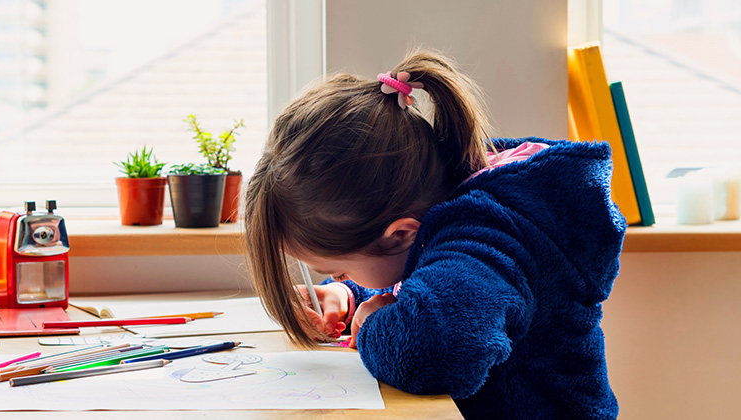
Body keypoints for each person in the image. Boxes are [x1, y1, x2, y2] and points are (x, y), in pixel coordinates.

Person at [243, 48, 624, 419]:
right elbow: (424, 280)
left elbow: (436, 352)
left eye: (339, 270)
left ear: (399, 234)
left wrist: (375, 324)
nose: (336, 276)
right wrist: (349, 294)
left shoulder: (485, 239)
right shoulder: (450, 215)